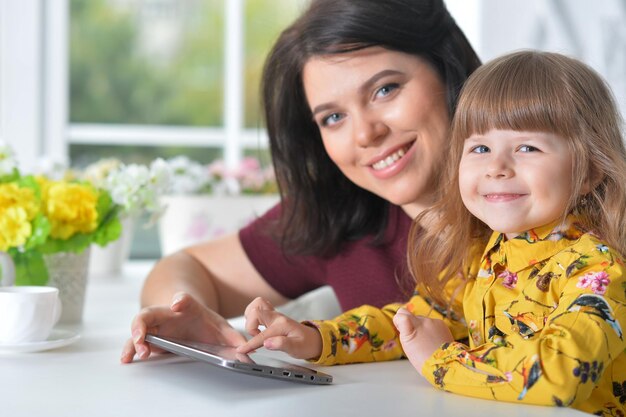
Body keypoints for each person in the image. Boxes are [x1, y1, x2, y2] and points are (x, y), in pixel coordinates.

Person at [237, 50, 626, 416]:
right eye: (479, 149)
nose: (497, 167)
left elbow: (558, 375)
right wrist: (317, 339)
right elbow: (409, 322)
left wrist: (441, 359)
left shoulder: (598, 273)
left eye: (527, 148)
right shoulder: (483, 257)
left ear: (589, 171)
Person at [120, 0, 481, 363]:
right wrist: (183, 314)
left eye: (385, 90)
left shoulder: (534, 204)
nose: (365, 134)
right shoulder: (340, 218)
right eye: (334, 117)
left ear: (447, 68)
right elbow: (184, 267)